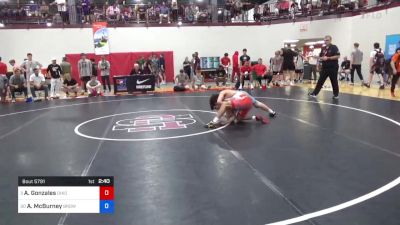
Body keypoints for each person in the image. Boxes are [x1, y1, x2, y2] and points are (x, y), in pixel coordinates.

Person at [205, 90, 276, 128]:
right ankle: (270, 112)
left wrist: (219, 119)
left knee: (225, 105)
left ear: (215, 102)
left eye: (215, 107)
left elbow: (219, 102)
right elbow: (232, 118)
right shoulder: (228, 102)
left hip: (241, 96)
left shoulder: (222, 93)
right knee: (238, 119)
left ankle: (213, 122)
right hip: (244, 100)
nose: (217, 109)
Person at [308, 35, 340, 99]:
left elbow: (338, 56)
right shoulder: (323, 48)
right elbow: (321, 57)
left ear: (330, 40)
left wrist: (328, 58)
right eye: (325, 40)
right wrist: (316, 57)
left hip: (333, 67)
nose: (326, 41)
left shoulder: (334, 47)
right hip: (325, 68)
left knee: (334, 81)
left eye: (327, 40)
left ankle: (336, 95)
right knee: (320, 81)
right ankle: (314, 93)